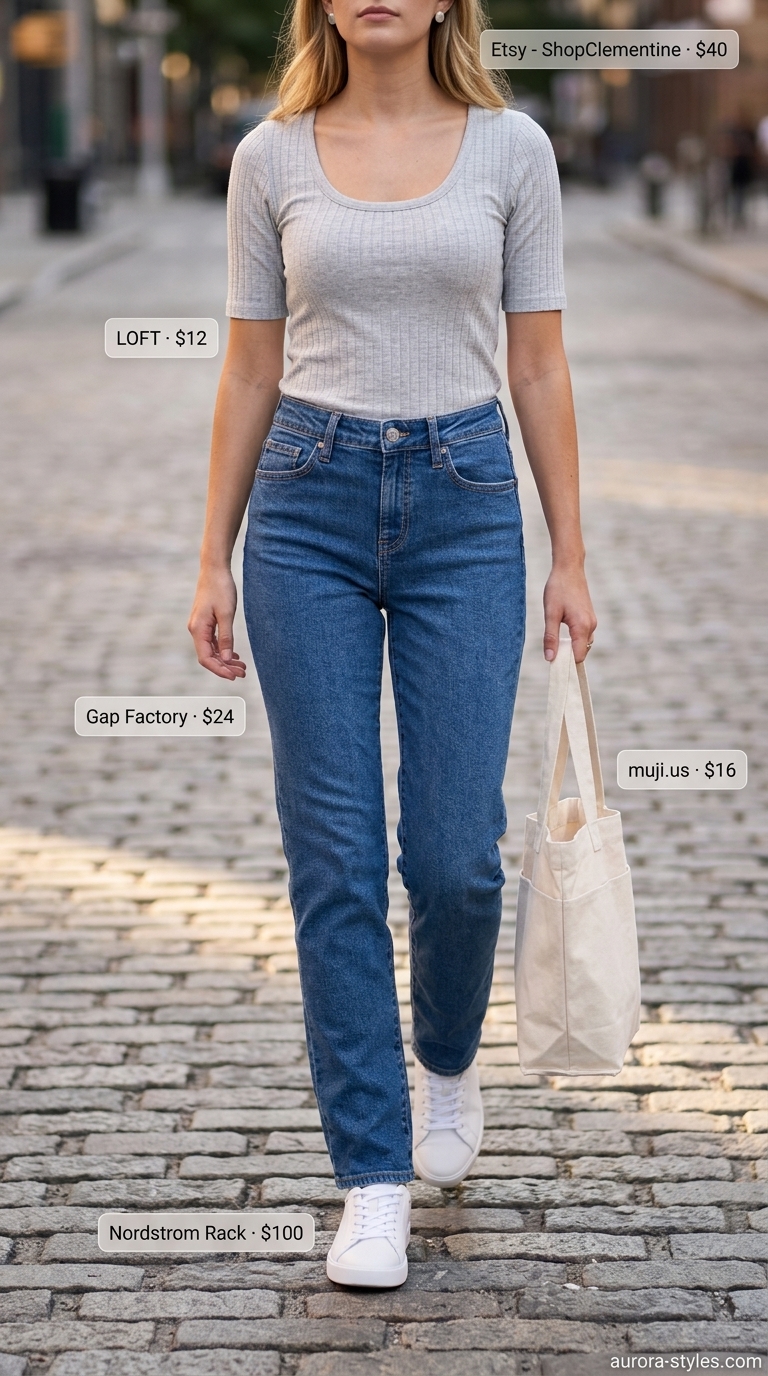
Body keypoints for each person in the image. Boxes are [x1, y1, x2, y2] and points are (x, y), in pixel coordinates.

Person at [188, 0, 596, 1289]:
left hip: (468, 506)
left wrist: (571, 554)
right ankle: (370, 1175)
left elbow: (538, 362)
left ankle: (450, 1060)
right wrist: (212, 554)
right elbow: (249, 363)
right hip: (304, 504)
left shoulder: (511, 149)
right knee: (338, 861)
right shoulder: (271, 156)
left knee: (455, 857)